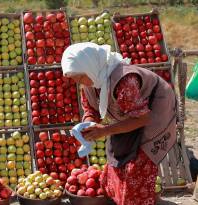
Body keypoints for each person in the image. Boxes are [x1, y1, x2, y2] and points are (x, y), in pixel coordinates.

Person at [61, 42, 177, 205]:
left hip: (156, 110)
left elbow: (142, 119)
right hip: (130, 114)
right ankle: (122, 198)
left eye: (80, 77)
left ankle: (136, 200)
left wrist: (106, 130)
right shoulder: (91, 82)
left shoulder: (124, 80)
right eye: (75, 79)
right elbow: (91, 111)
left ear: (90, 66)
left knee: (138, 165)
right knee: (117, 156)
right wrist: (88, 125)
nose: (79, 82)